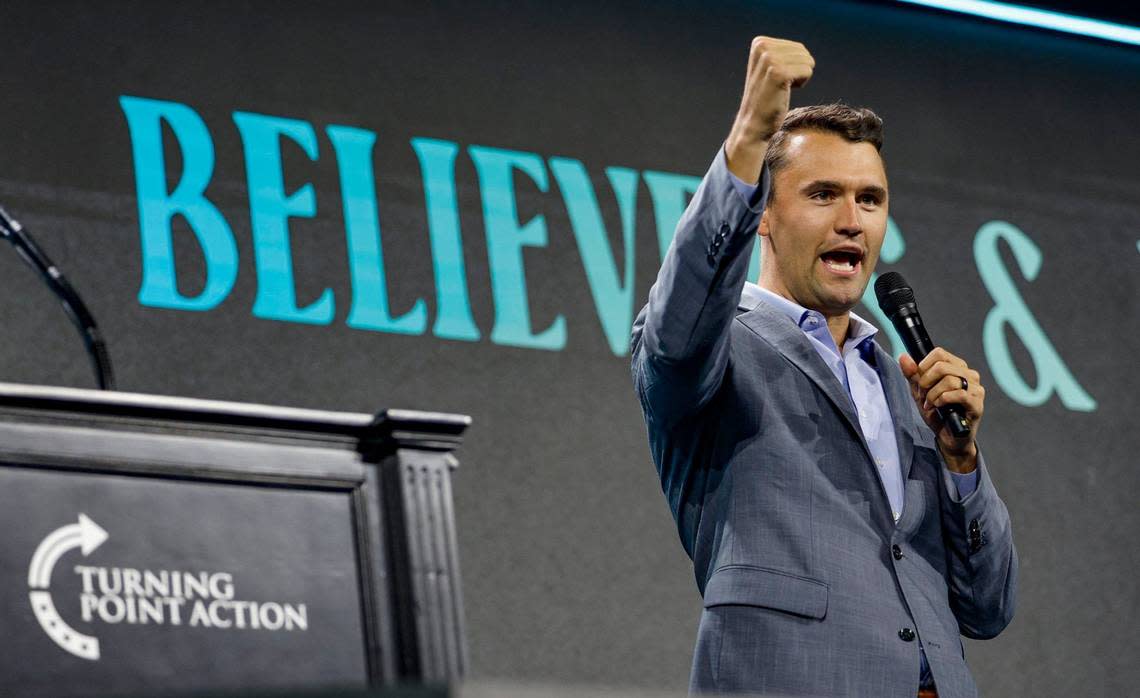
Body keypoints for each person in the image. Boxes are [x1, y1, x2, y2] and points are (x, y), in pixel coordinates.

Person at [630, 37, 1017, 697]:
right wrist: (750, 138)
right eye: (823, 194)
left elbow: (987, 606)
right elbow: (676, 336)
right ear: (764, 216)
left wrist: (960, 462)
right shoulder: (716, 346)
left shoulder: (907, 385)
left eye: (870, 200)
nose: (851, 221)